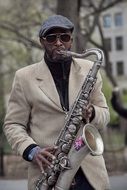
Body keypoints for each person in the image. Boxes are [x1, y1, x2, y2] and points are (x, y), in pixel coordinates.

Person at [3, 15, 110, 190]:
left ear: (71, 41)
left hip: (90, 175)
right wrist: (32, 151)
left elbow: (104, 114)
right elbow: (13, 124)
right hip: (48, 173)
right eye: (52, 38)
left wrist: (92, 112)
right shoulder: (23, 77)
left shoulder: (90, 69)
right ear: (42, 42)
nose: (59, 43)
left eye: (64, 37)